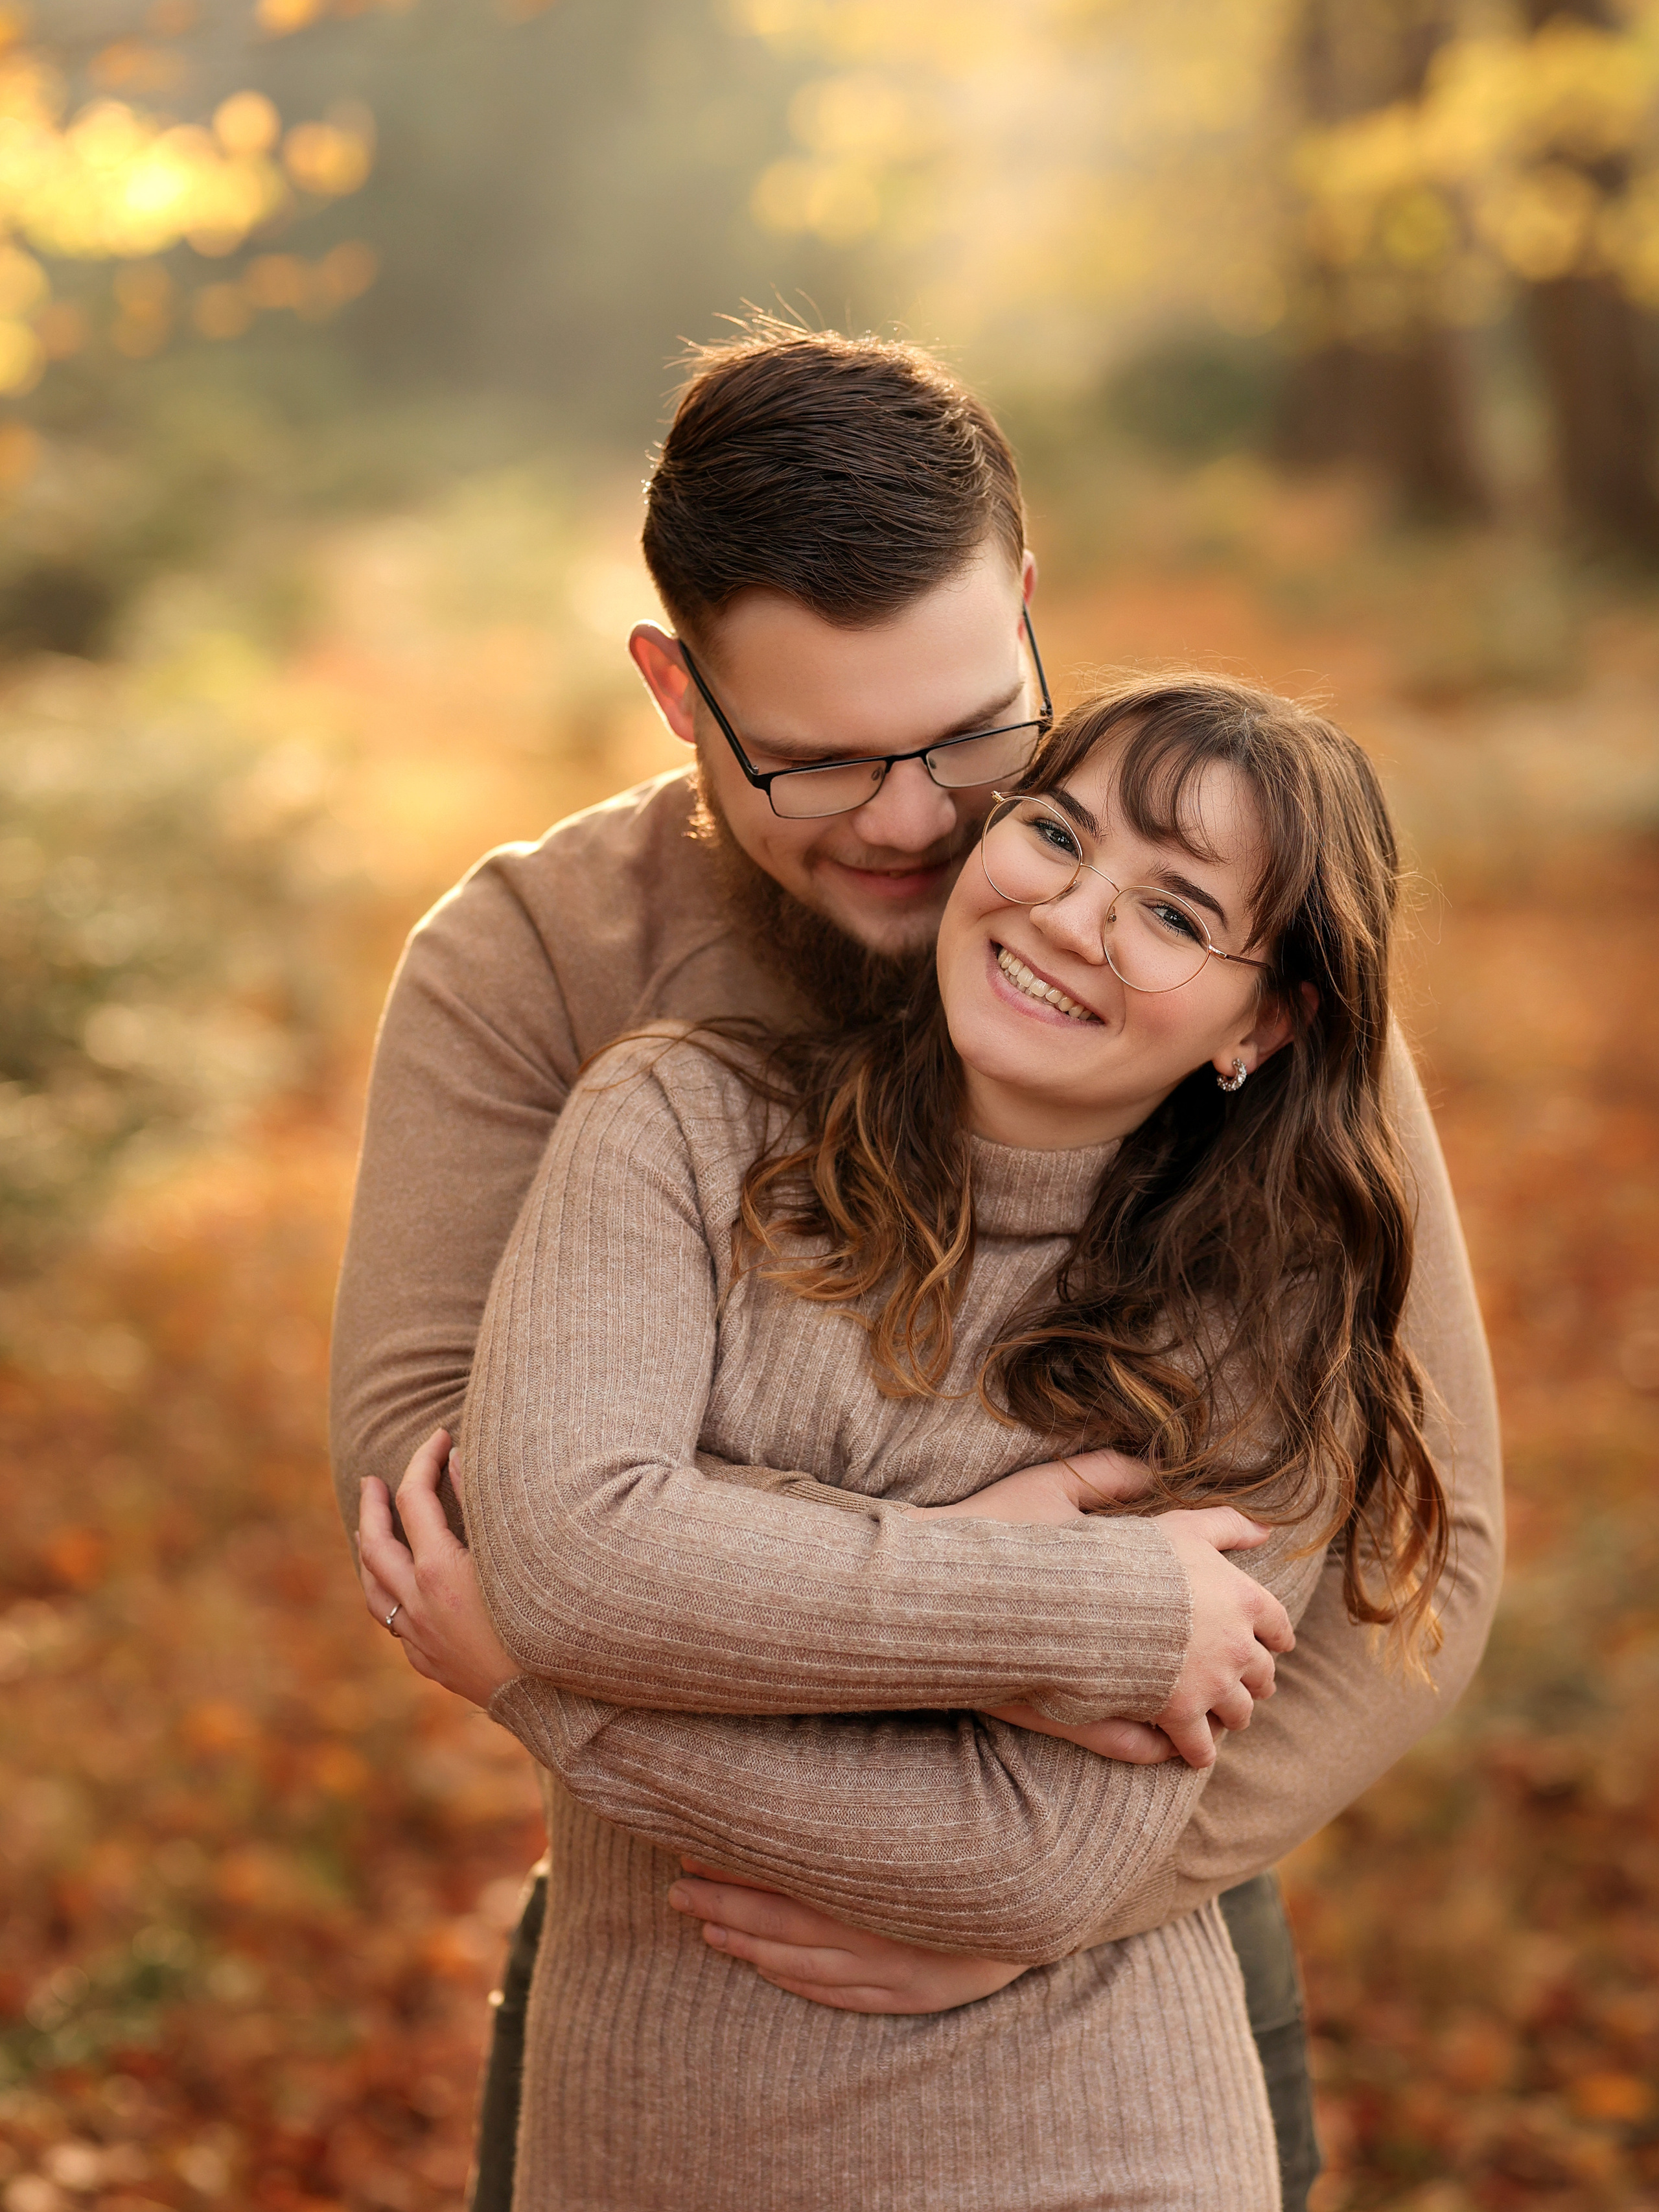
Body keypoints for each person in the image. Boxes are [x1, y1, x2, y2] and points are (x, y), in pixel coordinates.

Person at [330, 320, 1502, 2209]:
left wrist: (1053, 1904)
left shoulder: (1188, 947)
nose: (917, 823)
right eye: (818, 761)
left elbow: (1421, 1542)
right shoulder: (540, 964)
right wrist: (1017, 1588)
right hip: (676, 1956)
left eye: (972, 732)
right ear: (674, 689)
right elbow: (463, 1515)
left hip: (1131, 1945)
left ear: (1029, 609)